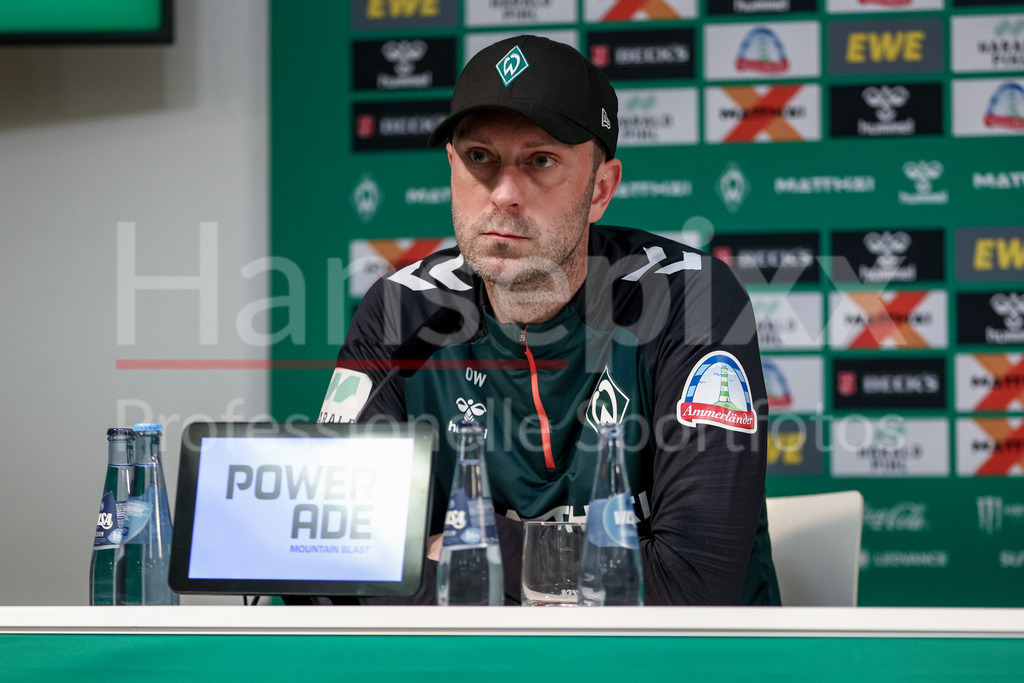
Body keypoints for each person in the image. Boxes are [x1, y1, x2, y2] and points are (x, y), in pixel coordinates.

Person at [319, 35, 779, 606]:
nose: (504, 194)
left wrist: (473, 549)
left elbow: (688, 585)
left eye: (540, 161)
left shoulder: (692, 298)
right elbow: (338, 573)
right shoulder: (401, 310)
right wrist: (592, 566)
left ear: (600, 189)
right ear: (451, 169)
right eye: (479, 158)